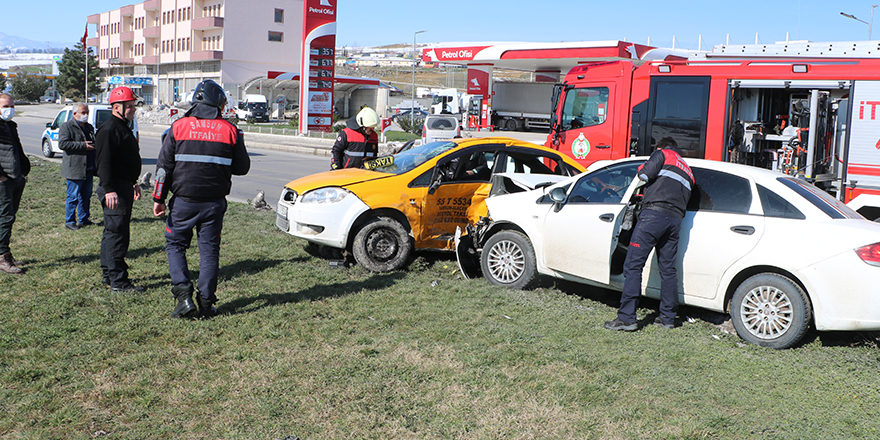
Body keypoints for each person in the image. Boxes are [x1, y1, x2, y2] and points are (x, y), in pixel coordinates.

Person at [152, 79, 250, 319]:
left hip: (183, 201)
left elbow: (164, 168)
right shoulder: (230, 130)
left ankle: (183, 298)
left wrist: (158, 198)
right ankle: (206, 302)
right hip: (214, 203)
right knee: (209, 252)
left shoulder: (178, 127)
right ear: (218, 104)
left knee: (175, 246)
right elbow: (242, 168)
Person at [604, 137, 694, 331]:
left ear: (660, 147)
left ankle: (627, 318)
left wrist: (645, 166)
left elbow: (643, 176)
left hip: (653, 216)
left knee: (633, 265)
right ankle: (668, 318)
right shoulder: (688, 171)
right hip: (675, 221)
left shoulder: (662, 154)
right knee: (668, 270)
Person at [95, 86, 145, 293]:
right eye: (130, 106)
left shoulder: (123, 126)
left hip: (123, 185)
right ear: (117, 107)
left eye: (134, 106)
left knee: (112, 232)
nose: (133, 109)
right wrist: (109, 189)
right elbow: (103, 163)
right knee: (118, 235)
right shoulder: (109, 130)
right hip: (114, 188)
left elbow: (123, 160)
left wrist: (133, 182)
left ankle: (109, 273)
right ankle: (119, 281)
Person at [0, 93, 30, 275]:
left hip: (15, 177)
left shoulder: (10, 125)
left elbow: (16, 149)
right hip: (3, 180)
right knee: (4, 218)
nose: (9, 110)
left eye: (12, 106)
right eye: (5, 106)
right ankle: (2, 257)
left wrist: (23, 171)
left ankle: (5, 252)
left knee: (9, 217)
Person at [59, 103, 97, 230]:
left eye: (87, 112)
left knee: (86, 195)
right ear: (75, 113)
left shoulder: (89, 127)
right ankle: (70, 221)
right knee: (73, 196)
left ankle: (84, 218)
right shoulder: (67, 126)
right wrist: (83, 146)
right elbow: (63, 144)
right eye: (83, 112)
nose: (86, 115)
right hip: (74, 168)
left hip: (88, 167)